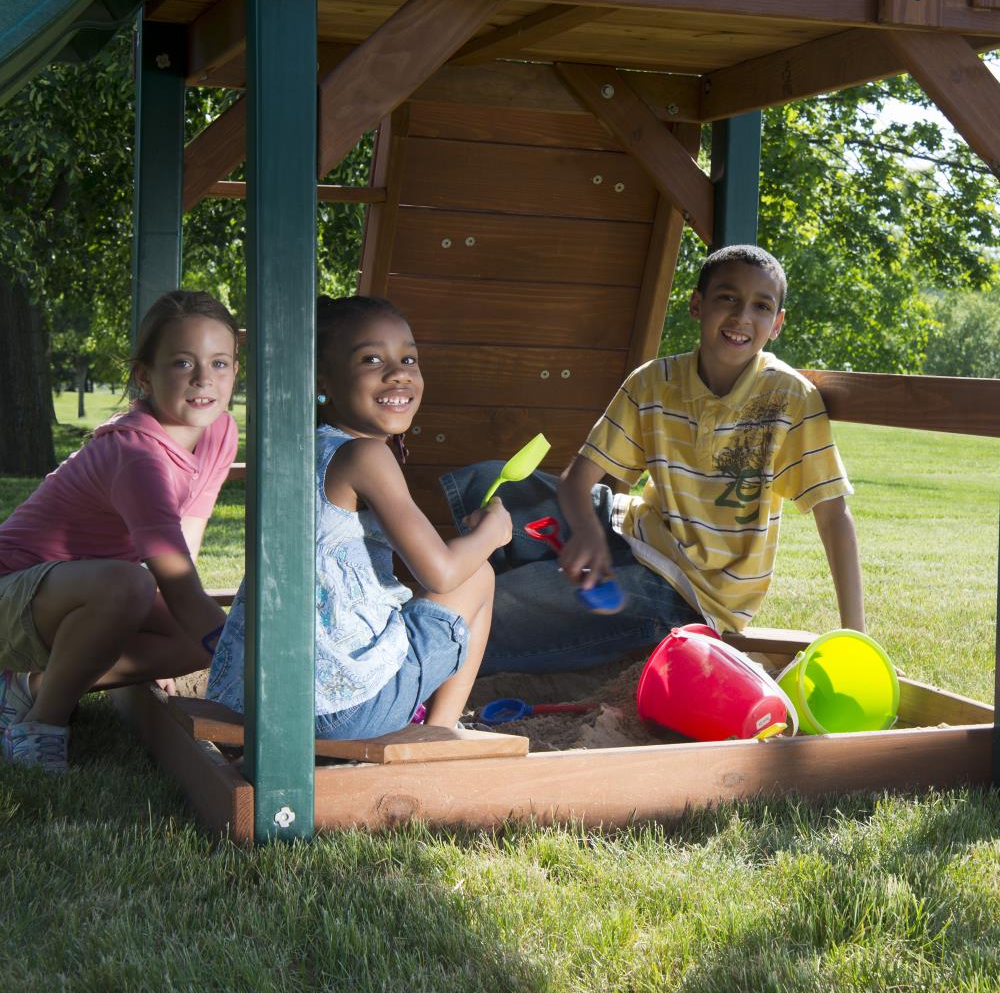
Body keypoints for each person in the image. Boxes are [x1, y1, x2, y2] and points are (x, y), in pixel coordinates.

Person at [442, 244, 864, 673]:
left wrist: (857, 637)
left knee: (504, 609)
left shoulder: (790, 399)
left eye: (761, 306)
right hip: (628, 531)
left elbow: (833, 517)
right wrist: (587, 531)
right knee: (490, 483)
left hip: (688, 595)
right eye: (728, 298)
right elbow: (577, 480)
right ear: (697, 304)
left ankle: (484, 619)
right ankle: (499, 588)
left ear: (776, 324)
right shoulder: (653, 382)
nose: (742, 317)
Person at [207, 296, 511, 738]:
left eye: (408, 357)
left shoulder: (298, 449)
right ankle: (439, 734)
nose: (399, 372)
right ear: (322, 381)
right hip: (343, 708)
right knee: (477, 575)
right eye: (372, 358)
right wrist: (493, 533)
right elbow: (443, 573)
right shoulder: (365, 455)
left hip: (258, 698)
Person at [0, 290, 241, 771]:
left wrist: (194, 643)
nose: (203, 380)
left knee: (192, 638)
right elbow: (171, 583)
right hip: (13, 597)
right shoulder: (138, 457)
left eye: (220, 363)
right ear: (144, 375)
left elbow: (183, 556)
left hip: (70, 599)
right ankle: (40, 724)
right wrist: (247, 663)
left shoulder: (219, 431)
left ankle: (26, 687)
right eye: (181, 363)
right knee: (131, 584)